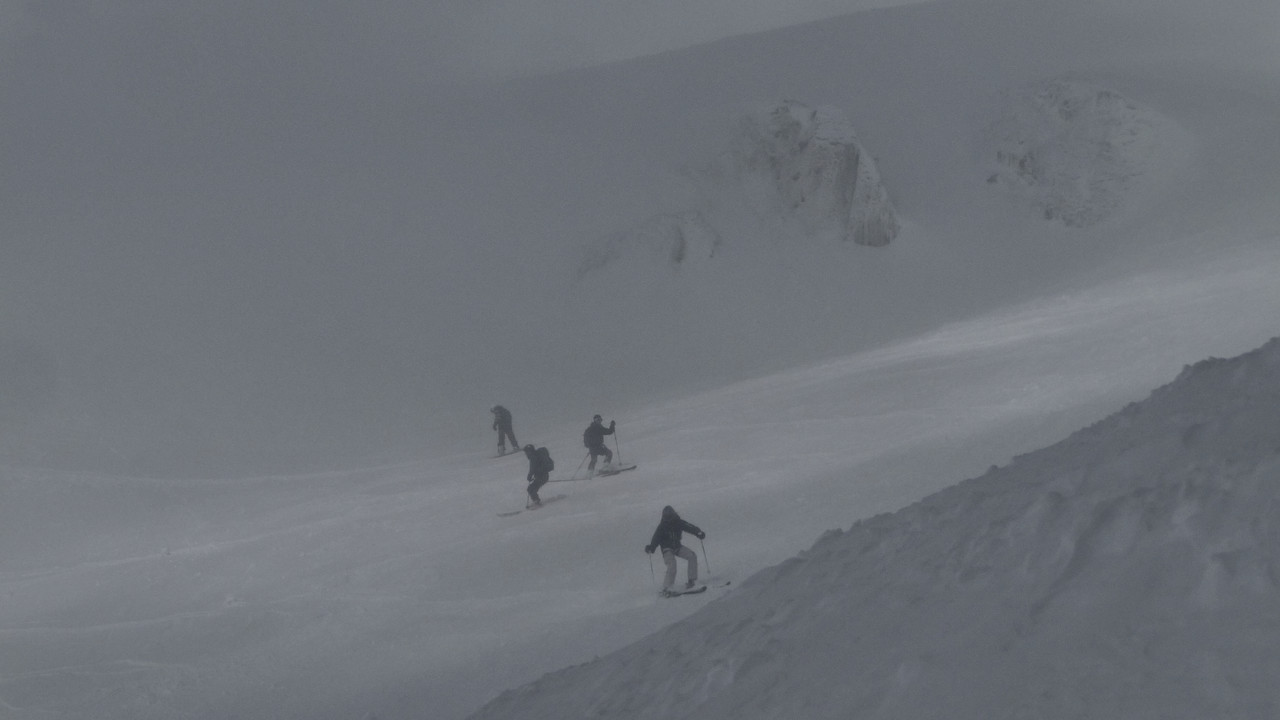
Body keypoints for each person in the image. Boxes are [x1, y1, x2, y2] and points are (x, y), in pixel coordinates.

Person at [644, 505, 705, 593]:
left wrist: (698, 532)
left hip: (677, 547)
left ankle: (692, 581)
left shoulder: (678, 522)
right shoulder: (662, 527)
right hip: (667, 549)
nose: (668, 520)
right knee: (672, 564)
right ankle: (667, 587)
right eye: (666, 518)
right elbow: (656, 539)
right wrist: (651, 548)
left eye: (670, 517)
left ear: (673, 515)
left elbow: (689, 527)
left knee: (692, 556)